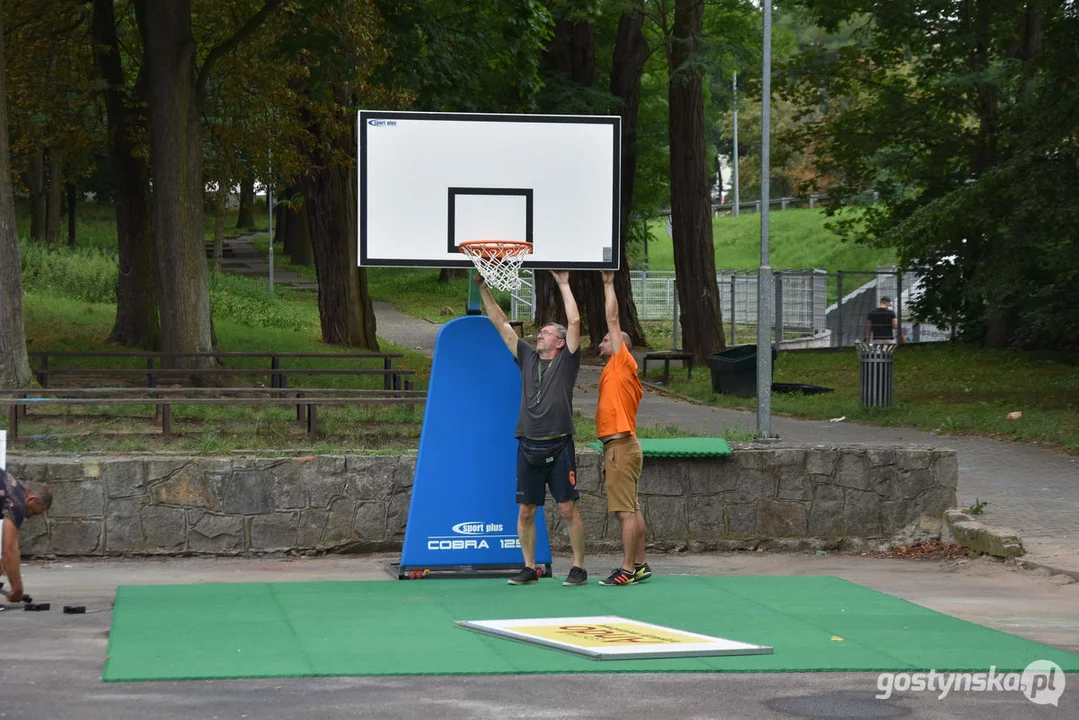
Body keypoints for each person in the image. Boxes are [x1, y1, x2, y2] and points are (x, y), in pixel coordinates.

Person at [476, 270, 588, 587]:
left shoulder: (567, 360)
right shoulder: (526, 357)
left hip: (559, 444)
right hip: (528, 445)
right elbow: (501, 325)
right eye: (540, 332)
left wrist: (565, 283)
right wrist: (484, 288)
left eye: (547, 332)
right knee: (526, 510)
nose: (540, 335)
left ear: (561, 342)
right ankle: (529, 567)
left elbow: (576, 323)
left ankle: (578, 567)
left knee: (567, 509)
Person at [594, 271, 649, 586]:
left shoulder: (623, 363)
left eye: (606, 339)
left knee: (624, 513)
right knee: (632, 509)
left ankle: (627, 569)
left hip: (622, 447)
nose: (603, 341)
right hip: (620, 447)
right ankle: (640, 564)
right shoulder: (613, 372)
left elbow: (613, 320)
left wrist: (608, 284)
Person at [1, 468, 52, 602]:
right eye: (34, 512)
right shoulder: (17, 502)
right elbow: (9, 550)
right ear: (32, 499)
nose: (29, 516)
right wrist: (17, 588)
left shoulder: (8, 482)